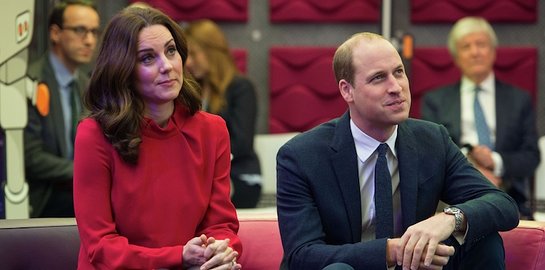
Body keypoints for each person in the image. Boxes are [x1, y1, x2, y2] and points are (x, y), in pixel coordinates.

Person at [276, 32, 519, 270]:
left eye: (399, 72)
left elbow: (503, 204)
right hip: (351, 265)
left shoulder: (433, 139)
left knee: (485, 242)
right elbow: (302, 255)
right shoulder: (301, 156)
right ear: (347, 90)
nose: (396, 87)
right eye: (378, 78)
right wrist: (392, 251)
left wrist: (449, 219)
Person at [73, 6, 241, 269]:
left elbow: (221, 225)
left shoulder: (213, 130)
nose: (167, 66)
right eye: (148, 58)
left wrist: (220, 252)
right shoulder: (94, 134)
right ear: (123, 69)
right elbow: (100, 246)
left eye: (171, 51)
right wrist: (178, 257)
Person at [422, 16, 540, 220]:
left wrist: (495, 162)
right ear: (456, 56)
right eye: (466, 46)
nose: (475, 52)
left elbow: (531, 156)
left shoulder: (518, 99)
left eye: (481, 44)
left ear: (493, 51)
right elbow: (430, 154)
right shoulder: (435, 101)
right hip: (452, 200)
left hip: (510, 196)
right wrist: (473, 171)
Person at [25, 0, 100, 217]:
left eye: (94, 32)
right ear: (55, 33)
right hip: (44, 196)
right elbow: (31, 158)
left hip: (78, 188)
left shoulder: (86, 84)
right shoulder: (30, 82)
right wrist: (84, 170)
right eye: (80, 30)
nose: (89, 41)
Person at [183, 19, 262, 208]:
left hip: (240, 175)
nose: (189, 63)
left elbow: (241, 143)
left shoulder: (241, 88)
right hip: (202, 176)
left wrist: (204, 160)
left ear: (212, 52)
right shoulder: (193, 92)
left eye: (194, 54)